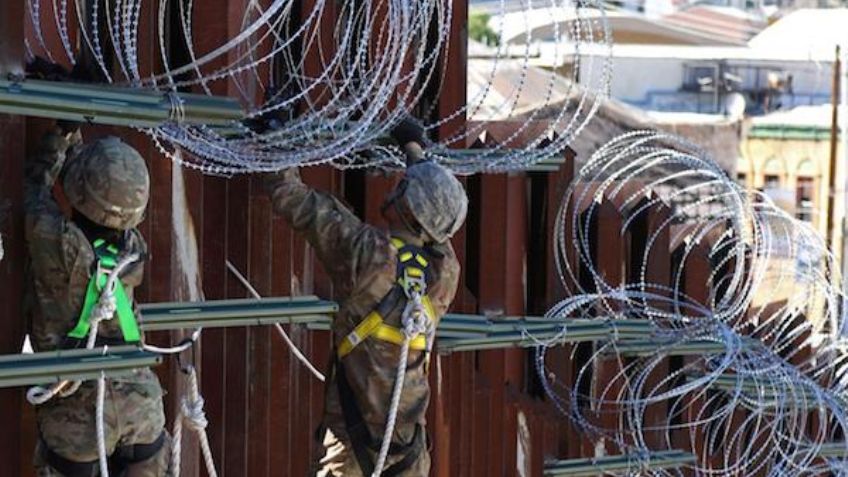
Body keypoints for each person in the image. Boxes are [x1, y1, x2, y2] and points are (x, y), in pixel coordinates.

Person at [266, 118, 468, 476]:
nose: (395, 187)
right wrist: (415, 150)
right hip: (409, 454)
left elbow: (291, 197)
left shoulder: (368, 254)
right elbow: (438, 216)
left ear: (406, 204)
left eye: (402, 187)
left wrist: (275, 134)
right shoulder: (444, 276)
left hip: (351, 455)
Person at [24, 120, 171, 476]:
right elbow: (101, 190)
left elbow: (31, 187)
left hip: (81, 415)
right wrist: (72, 134)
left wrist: (62, 132)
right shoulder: (133, 247)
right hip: (141, 405)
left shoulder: (58, 245)